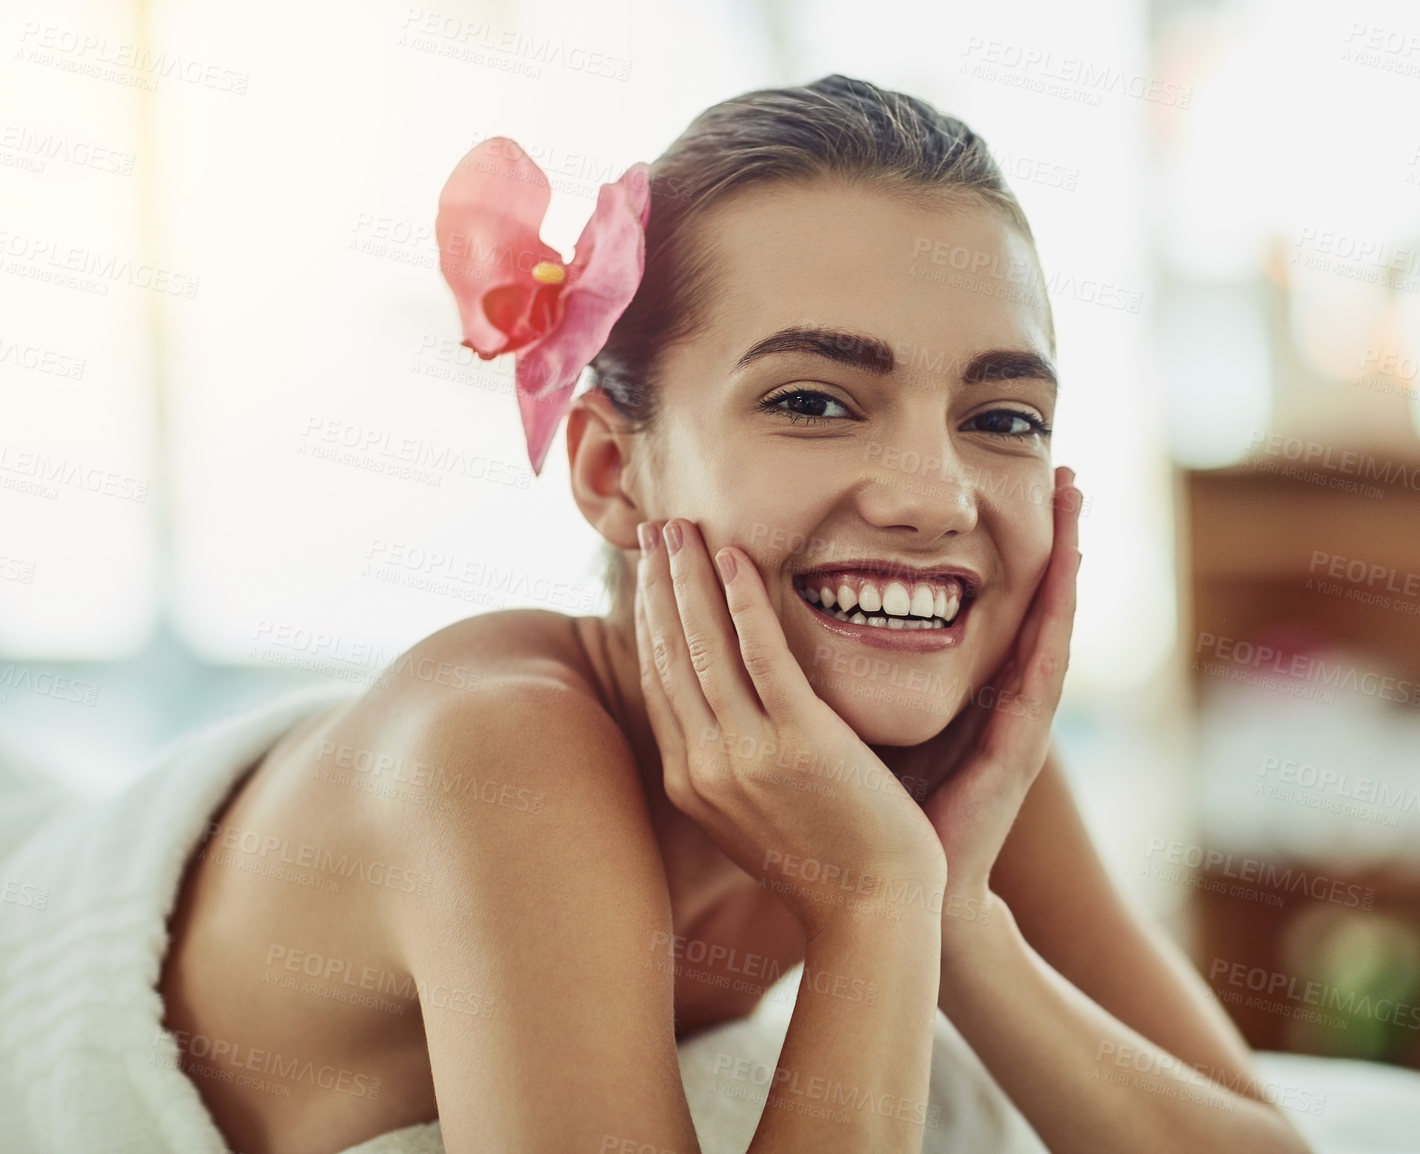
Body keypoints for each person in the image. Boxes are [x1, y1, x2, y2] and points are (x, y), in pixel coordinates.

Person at [158, 74, 1312, 1154]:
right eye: (812, 400)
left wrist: (950, 913)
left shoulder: (953, 755)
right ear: (614, 471)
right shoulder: (500, 754)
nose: (934, 493)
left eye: (1004, 418)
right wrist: (871, 907)